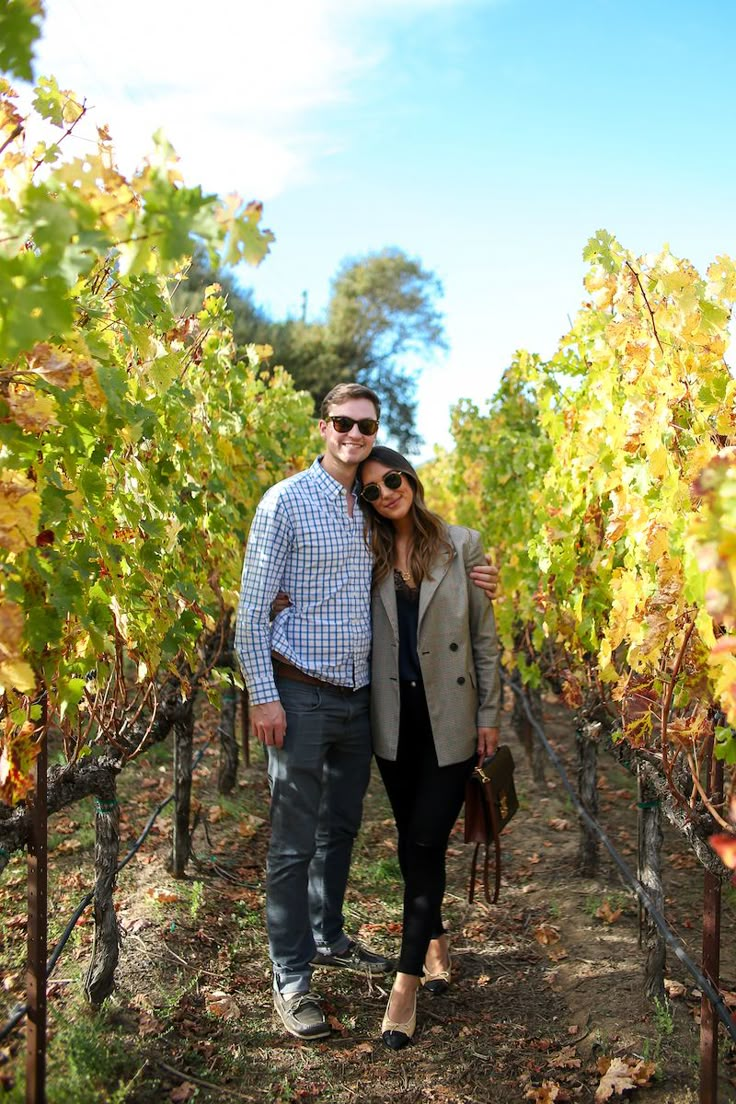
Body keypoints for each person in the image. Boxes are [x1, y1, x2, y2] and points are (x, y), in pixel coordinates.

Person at [234, 383, 498, 1042]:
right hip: (298, 694)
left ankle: (328, 937)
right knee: (294, 843)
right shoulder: (286, 502)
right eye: (343, 423)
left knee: (341, 830)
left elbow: (442, 585)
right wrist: (263, 694)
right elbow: (249, 613)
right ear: (323, 426)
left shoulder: (369, 513)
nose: (355, 435)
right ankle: (292, 978)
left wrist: (479, 576)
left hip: (360, 703)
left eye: (367, 426)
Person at [357, 445, 500, 1050]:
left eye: (392, 479)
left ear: (409, 478)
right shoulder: (366, 554)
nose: (387, 492)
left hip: (451, 722)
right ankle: (437, 939)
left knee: (423, 841)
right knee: (413, 842)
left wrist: (490, 713)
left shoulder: (462, 545)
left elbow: (485, 641)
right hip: (393, 726)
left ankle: (406, 983)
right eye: (371, 490)